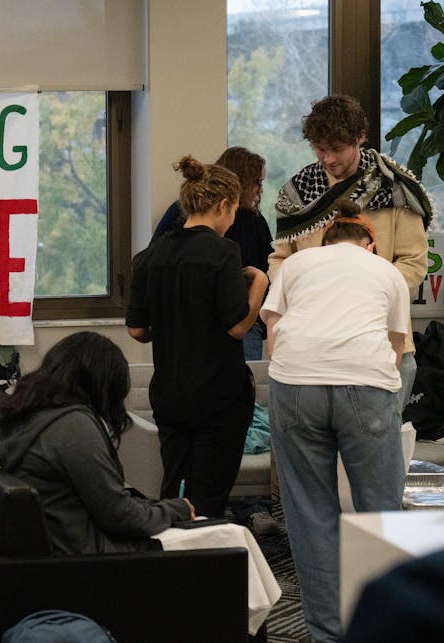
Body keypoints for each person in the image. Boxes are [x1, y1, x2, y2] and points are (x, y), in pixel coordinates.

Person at [261, 199, 410, 643]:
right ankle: (383, 631)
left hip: (295, 383)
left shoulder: (297, 263)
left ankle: (327, 634)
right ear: (369, 242)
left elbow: (272, 338)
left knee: (310, 514)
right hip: (366, 384)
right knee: (379, 513)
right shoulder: (386, 271)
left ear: (326, 239)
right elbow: (397, 347)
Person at [269, 94, 432, 413]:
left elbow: (414, 264)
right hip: (308, 349)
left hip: (383, 345)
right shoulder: (296, 193)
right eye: (320, 148)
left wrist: (357, 287)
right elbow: (279, 261)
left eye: (337, 148)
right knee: (313, 458)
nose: (328, 158)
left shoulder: (396, 189)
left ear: (360, 138)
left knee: (379, 457)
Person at [126, 156, 268, 518]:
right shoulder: (223, 252)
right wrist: (259, 288)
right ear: (223, 206)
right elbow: (237, 326)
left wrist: (177, 323)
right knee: (209, 494)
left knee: (175, 485)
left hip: (170, 394)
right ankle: (206, 557)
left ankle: (172, 555)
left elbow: (137, 330)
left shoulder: (150, 256)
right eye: (235, 210)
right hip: (218, 396)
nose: (234, 218)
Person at [0, 332, 195, 555]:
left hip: (59, 545)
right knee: (224, 540)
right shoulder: (72, 426)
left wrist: (160, 509)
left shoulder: (30, 413)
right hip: (86, 556)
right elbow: (120, 515)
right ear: (103, 385)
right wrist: (177, 509)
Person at [151, 146, 273, 361]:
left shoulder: (255, 221)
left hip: (240, 316)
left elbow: (269, 265)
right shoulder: (181, 214)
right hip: (193, 318)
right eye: (256, 182)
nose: (259, 190)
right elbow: (157, 260)